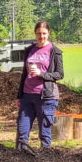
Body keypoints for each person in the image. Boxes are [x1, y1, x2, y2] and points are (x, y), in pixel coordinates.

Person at [15, 21, 64, 149]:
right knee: (22, 131)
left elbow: (59, 74)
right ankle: (20, 159)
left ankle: (44, 161)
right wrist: (19, 95)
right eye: (38, 33)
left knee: (45, 134)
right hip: (27, 96)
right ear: (35, 34)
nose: (41, 36)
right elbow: (24, 74)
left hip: (46, 97)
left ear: (48, 33)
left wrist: (41, 74)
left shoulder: (55, 51)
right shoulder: (29, 50)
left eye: (44, 33)